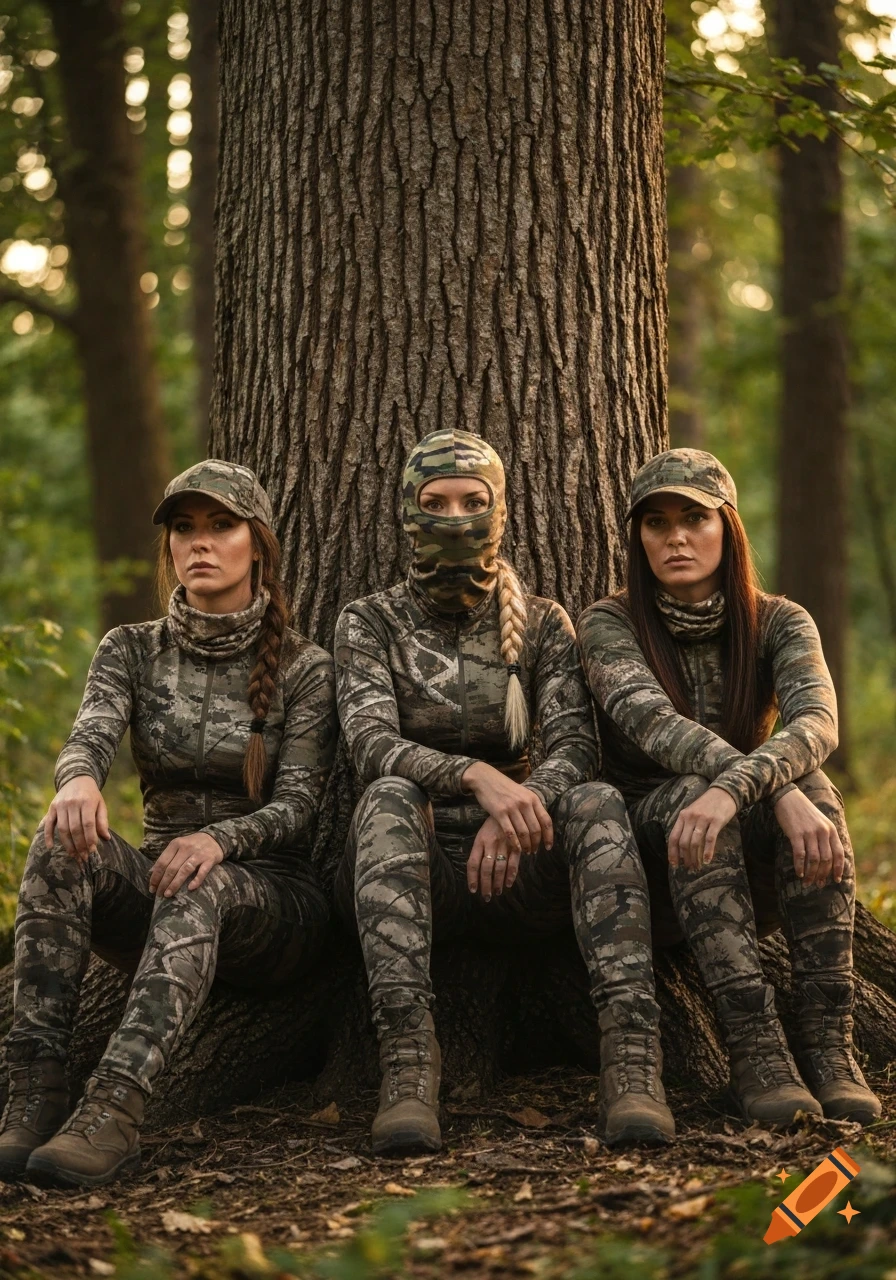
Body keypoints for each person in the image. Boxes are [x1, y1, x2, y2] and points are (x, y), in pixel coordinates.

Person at [334, 429, 676, 1156]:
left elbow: (577, 748)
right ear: (405, 512)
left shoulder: (547, 622)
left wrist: (519, 810)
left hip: (524, 863)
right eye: (435, 502)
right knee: (387, 797)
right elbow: (369, 744)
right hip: (418, 869)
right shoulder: (369, 622)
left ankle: (634, 1060)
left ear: (500, 512)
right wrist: (477, 778)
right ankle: (407, 1068)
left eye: (472, 501)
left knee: (599, 803)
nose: (454, 518)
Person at [0, 461, 337, 1187]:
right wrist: (79, 780)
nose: (199, 543)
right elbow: (89, 736)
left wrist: (219, 840)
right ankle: (34, 1089)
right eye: (184, 528)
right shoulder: (130, 649)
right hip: (160, 883)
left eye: (221, 526)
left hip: (274, 907)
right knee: (60, 845)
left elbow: (299, 809)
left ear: (260, 546)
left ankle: (115, 1112)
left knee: (200, 885)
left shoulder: (306, 669)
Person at [577, 448, 880, 1127]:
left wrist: (753, 790)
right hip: (649, 849)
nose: (676, 537)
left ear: (728, 528)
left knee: (820, 797)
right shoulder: (609, 623)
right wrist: (767, 787)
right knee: (697, 793)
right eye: (656, 523)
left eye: (694, 518)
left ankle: (831, 1047)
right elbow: (654, 726)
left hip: (746, 842)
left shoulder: (779, 620)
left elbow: (817, 722)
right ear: (638, 538)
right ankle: (758, 1054)